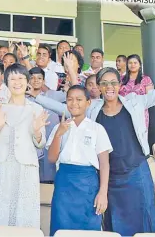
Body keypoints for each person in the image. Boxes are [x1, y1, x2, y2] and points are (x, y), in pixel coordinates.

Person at [35, 53, 155, 237]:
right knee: (114, 225)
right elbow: (69, 107)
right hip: (110, 179)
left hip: (136, 173)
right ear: (99, 87)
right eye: (104, 83)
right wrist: (36, 97)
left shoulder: (135, 102)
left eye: (113, 82)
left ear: (120, 85)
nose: (109, 87)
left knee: (144, 221)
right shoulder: (94, 108)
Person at [0, 64, 47, 229]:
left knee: (24, 210)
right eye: (13, 79)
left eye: (21, 78)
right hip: (1, 165)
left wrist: (37, 130)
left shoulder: (36, 109)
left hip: (26, 166)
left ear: (27, 81)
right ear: (6, 81)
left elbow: (40, 143)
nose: (17, 82)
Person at [47, 85, 112, 233]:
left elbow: (104, 164)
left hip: (88, 184)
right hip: (64, 182)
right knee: (61, 226)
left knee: (88, 227)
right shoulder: (60, 126)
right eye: (69, 99)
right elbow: (51, 158)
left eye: (79, 99)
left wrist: (103, 192)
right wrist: (59, 134)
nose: (74, 103)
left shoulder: (97, 129)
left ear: (88, 102)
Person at [119, 54, 154, 130]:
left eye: (135, 63)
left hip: (140, 114)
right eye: (130, 63)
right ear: (127, 65)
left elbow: (150, 98)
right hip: (124, 113)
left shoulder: (146, 79)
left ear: (139, 65)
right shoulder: (120, 79)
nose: (133, 65)